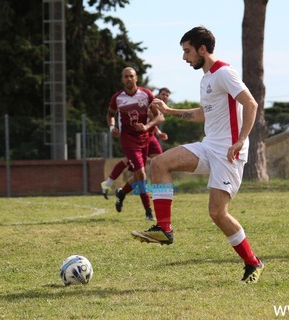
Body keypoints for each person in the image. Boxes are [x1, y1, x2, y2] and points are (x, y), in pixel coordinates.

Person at [131, 26, 264, 283]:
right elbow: (204, 113)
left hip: (228, 153)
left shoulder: (224, 72)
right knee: (159, 163)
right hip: (209, 146)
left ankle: (253, 262)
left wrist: (241, 140)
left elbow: (251, 103)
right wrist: (169, 112)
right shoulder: (206, 78)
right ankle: (164, 228)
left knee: (217, 214)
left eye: (187, 51)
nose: (185, 57)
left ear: (203, 49)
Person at [106, 67, 163, 221]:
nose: (129, 79)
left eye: (131, 76)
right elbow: (110, 114)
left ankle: (122, 192)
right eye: (126, 77)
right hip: (128, 139)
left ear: (136, 78)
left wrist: (147, 126)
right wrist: (112, 127)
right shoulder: (117, 98)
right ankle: (148, 212)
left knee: (151, 168)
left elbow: (158, 117)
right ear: (122, 79)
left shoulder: (146, 94)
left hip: (145, 138)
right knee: (141, 174)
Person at [101, 87, 171, 199]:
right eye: (163, 94)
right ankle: (109, 184)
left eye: (167, 95)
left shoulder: (160, 106)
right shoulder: (151, 103)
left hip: (150, 138)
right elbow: (149, 118)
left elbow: (153, 122)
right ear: (158, 95)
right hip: (139, 138)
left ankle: (121, 192)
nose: (165, 97)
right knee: (134, 167)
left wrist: (158, 133)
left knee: (157, 163)